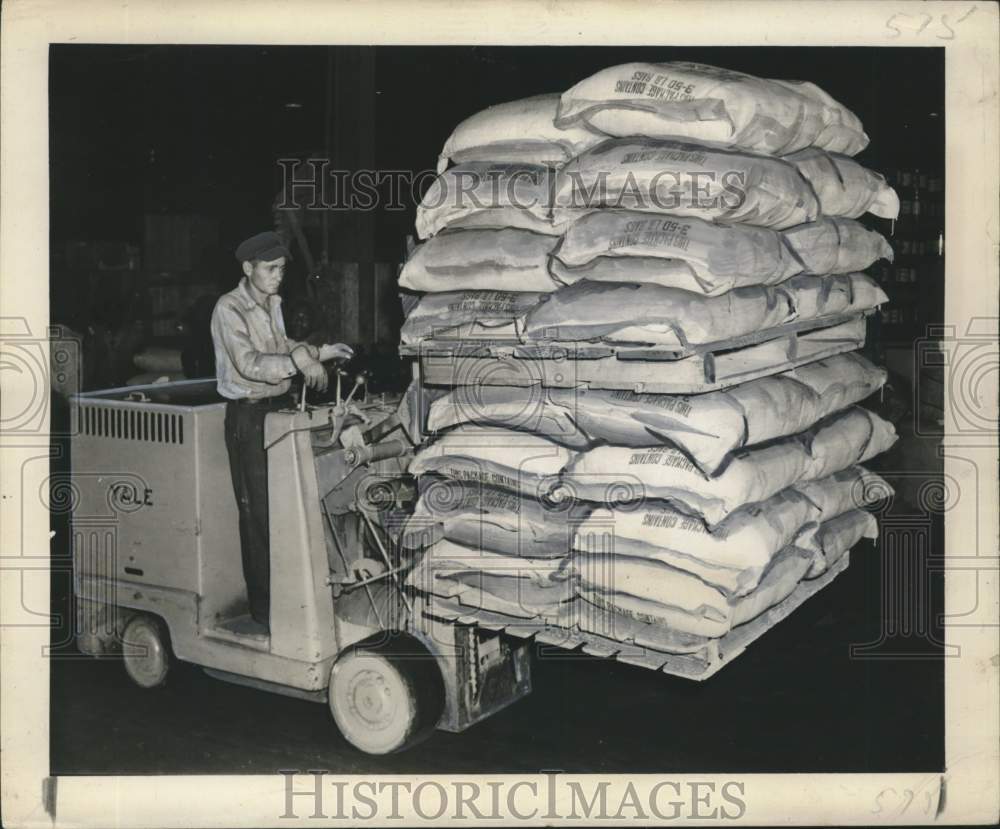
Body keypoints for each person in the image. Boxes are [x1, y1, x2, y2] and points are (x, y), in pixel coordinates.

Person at [210, 231, 352, 633]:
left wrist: (320, 352)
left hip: (276, 411)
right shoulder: (229, 308)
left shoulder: (271, 302)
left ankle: (294, 605)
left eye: (282, 270)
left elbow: (282, 345)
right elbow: (251, 364)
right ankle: (266, 612)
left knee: (287, 510)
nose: (278, 277)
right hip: (249, 418)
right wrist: (299, 362)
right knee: (259, 514)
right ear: (248, 269)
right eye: (271, 269)